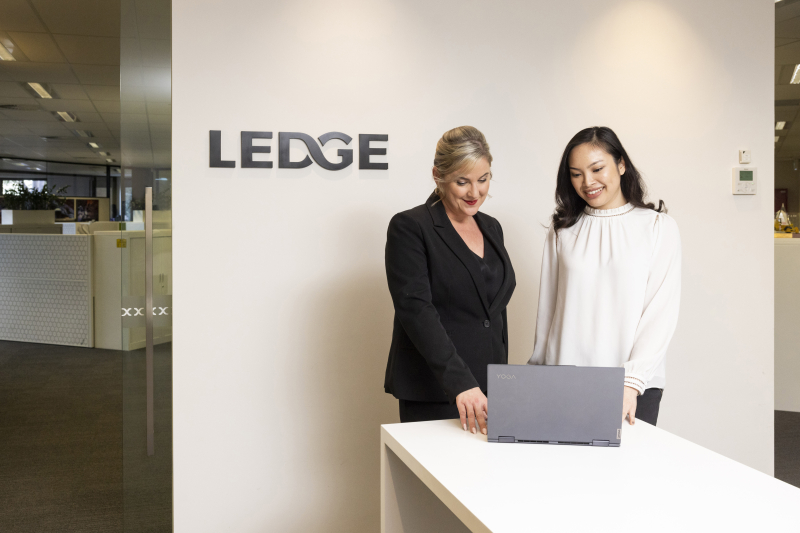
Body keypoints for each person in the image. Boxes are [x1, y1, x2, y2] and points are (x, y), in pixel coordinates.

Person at [529, 126, 681, 426]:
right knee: (563, 473)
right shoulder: (562, 231)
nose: (588, 182)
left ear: (621, 164)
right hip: (564, 381)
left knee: (629, 472)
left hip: (632, 387)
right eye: (576, 173)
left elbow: (660, 313)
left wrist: (632, 382)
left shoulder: (658, 227)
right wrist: (536, 375)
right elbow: (548, 312)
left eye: (597, 168)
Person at [384, 126, 516, 435]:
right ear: (438, 176)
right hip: (437, 389)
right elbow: (416, 311)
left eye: (483, 180)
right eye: (462, 182)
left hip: (490, 389)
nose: (475, 192)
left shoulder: (491, 228)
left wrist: (502, 385)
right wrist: (461, 383)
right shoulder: (410, 227)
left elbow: (492, 312)